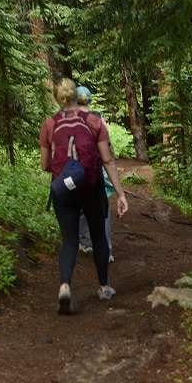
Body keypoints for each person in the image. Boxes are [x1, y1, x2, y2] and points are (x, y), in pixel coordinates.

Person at [39, 78, 128, 314]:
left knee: (69, 240)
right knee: (98, 235)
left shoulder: (49, 124)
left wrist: (67, 171)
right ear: (78, 97)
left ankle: (65, 286)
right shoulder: (94, 121)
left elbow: (45, 165)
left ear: (58, 98)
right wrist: (120, 193)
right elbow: (107, 160)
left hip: (63, 191)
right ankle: (103, 287)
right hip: (92, 187)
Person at [76, 86, 115, 262]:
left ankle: (85, 242)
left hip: (77, 173)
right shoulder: (98, 121)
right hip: (97, 173)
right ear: (89, 101)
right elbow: (108, 150)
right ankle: (105, 249)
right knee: (102, 212)